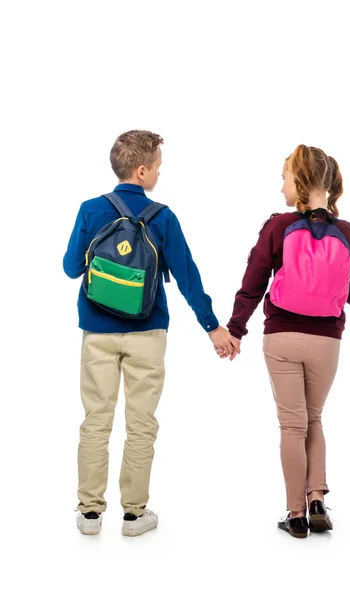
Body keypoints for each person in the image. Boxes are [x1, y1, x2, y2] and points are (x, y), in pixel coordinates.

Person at [63, 129, 239, 536]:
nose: (159, 174)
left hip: (97, 332)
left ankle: (89, 514)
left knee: (96, 420)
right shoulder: (162, 216)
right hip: (148, 334)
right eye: (158, 167)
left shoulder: (90, 210)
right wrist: (213, 327)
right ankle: (133, 515)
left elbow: (72, 268)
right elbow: (188, 277)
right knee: (141, 423)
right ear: (142, 171)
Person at [218, 144, 350, 538]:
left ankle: (295, 515)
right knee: (314, 419)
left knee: (291, 425)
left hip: (281, 337)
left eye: (284, 175)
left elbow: (252, 285)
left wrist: (234, 331)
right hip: (327, 342)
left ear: (299, 181)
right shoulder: (347, 232)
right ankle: (318, 498)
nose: (281, 183)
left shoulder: (278, 226)